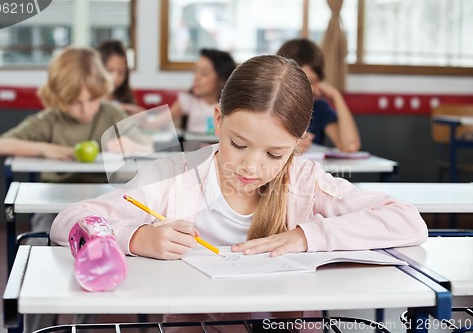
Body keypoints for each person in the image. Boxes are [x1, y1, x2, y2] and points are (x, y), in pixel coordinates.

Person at [51, 55, 427, 333]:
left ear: (298, 144)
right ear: (218, 121)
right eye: (238, 143)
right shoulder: (174, 176)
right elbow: (68, 219)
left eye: (274, 154)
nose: (251, 166)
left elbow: (407, 221)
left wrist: (306, 236)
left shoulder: (304, 181)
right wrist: (135, 236)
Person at [0, 46, 150, 331]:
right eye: (75, 102)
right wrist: (50, 149)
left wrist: (122, 144)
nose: (86, 109)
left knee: (101, 253)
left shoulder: (110, 113)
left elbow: (147, 146)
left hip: (102, 204)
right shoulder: (49, 120)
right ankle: (38, 325)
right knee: (40, 253)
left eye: (93, 99)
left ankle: (82, 324)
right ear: (59, 98)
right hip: (53, 206)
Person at [277, 38, 361, 153]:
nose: (305, 88)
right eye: (300, 80)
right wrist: (288, 145)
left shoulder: (319, 109)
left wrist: (336, 96)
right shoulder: (269, 106)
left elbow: (350, 146)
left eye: (311, 82)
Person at [146, 48, 236, 134]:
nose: (196, 77)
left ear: (223, 79)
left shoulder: (232, 106)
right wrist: (143, 116)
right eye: (195, 71)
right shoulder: (188, 101)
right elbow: (155, 123)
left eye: (204, 73)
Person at [97, 40, 145, 115]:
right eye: (109, 71)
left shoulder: (125, 97)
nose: (115, 78)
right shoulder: (90, 99)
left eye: (121, 72)